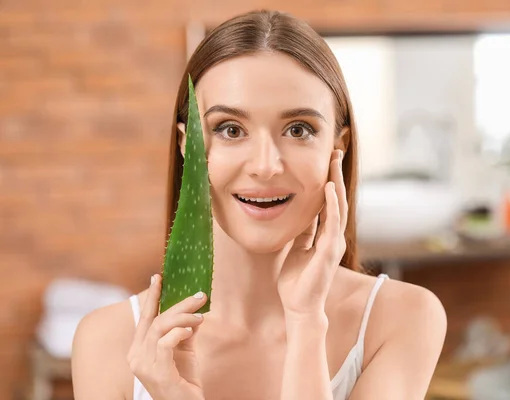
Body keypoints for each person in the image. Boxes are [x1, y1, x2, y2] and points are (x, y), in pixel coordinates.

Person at [71, 9, 447, 400]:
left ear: (338, 147)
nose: (266, 166)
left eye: (298, 129)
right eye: (231, 130)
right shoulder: (107, 343)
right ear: (189, 147)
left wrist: (306, 323)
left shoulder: (402, 318)